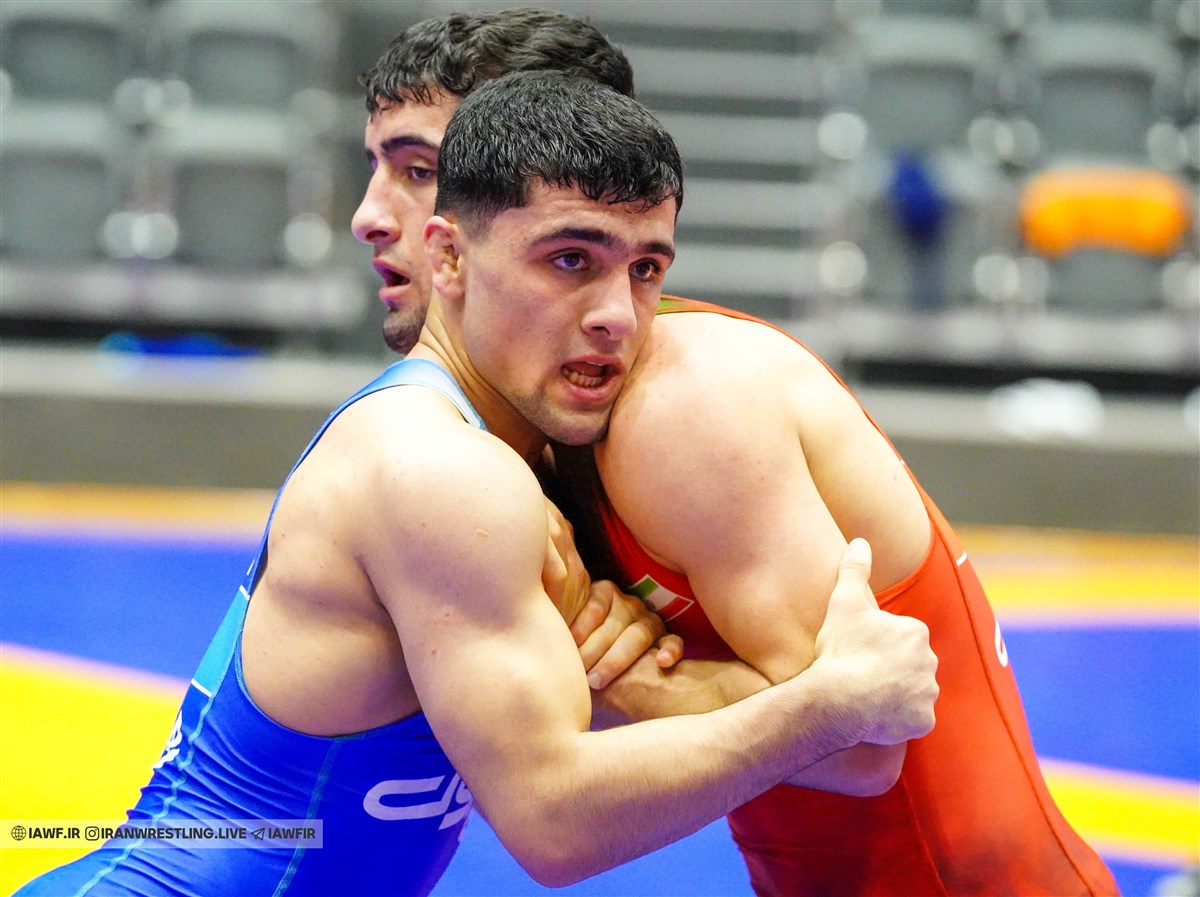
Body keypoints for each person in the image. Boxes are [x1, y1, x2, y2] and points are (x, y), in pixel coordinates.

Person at [15, 72, 939, 897]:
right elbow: (553, 820)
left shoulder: (499, 458)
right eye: (570, 260)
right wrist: (825, 706)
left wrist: (670, 683)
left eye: (646, 269)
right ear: (450, 257)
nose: (618, 315)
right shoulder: (441, 467)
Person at [350, 9, 1119, 896]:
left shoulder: (679, 404)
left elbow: (864, 735)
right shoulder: (532, 420)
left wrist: (629, 678)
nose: (370, 216)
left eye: (421, 171)